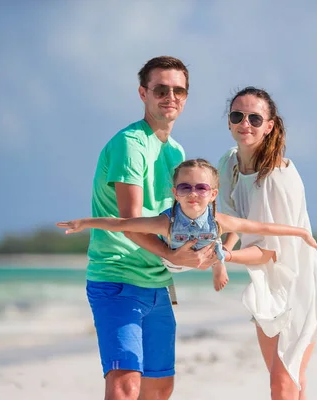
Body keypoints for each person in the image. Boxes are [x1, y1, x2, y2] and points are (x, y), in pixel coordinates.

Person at [85, 56, 219, 400]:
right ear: (143, 93)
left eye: (178, 90)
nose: (170, 97)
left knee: (159, 388)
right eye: (161, 89)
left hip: (157, 282)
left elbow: (184, 218)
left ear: (186, 97)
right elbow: (130, 220)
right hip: (117, 277)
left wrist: (204, 254)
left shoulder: (176, 152)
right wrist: (173, 254)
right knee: (125, 382)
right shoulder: (130, 144)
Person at [57, 158, 317, 292]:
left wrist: (302, 232)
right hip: (174, 261)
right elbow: (121, 223)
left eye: (201, 187)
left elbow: (263, 227)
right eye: (185, 187)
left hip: (209, 251)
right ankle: (219, 256)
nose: (193, 193)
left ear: (212, 193)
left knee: (253, 243)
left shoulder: (218, 219)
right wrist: (85, 222)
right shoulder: (167, 222)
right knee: (135, 230)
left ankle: (221, 259)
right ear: (175, 193)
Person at [217, 86, 317, 400]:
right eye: (237, 115)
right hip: (267, 284)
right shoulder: (229, 164)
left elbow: (270, 252)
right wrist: (225, 246)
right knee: (291, 380)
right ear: (228, 122)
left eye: (255, 118)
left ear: (269, 126)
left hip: (297, 283)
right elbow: (235, 220)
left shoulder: (277, 178)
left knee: (283, 384)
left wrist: (223, 257)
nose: (245, 124)